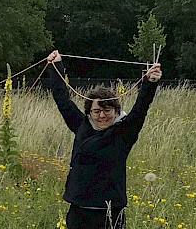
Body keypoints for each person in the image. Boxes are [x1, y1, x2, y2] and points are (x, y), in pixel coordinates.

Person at [46, 50, 162, 229]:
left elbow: (141, 108)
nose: (102, 115)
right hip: (79, 211)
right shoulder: (81, 126)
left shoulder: (124, 132)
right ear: (89, 112)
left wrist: (150, 83)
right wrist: (56, 67)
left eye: (107, 110)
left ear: (116, 111)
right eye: (96, 111)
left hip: (111, 212)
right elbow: (62, 100)